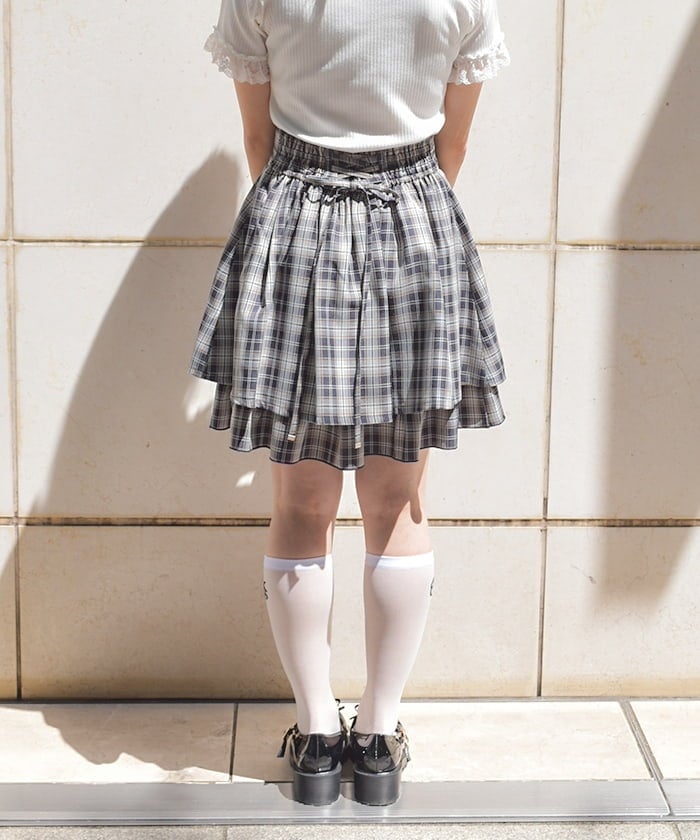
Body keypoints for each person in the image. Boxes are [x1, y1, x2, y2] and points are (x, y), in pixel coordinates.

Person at [189, 0, 509, 808]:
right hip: (417, 223)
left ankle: (315, 740)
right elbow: (453, 146)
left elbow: (258, 142)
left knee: (301, 506)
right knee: (397, 503)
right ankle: (378, 738)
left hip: (296, 220)